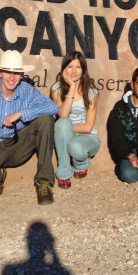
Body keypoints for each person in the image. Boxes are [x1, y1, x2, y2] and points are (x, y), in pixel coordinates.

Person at [0, 50, 59, 205]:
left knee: (46, 119)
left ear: (22, 75)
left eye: (16, 72)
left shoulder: (28, 91)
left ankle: (44, 181)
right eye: (7, 72)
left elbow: (53, 107)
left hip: (20, 143)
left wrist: (21, 113)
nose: (11, 77)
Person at [50, 51, 100, 189]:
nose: (74, 71)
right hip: (66, 134)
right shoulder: (56, 89)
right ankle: (64, 172)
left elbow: (88, 127)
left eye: (78, 67)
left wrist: (64, 132)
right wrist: (71, 88)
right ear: (64, 69)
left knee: (74, 145)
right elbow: (63, 115)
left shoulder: (91, 91)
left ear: (83, 69)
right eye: (70, 66)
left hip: (88, 138)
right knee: (63, 123)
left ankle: (81, 164)